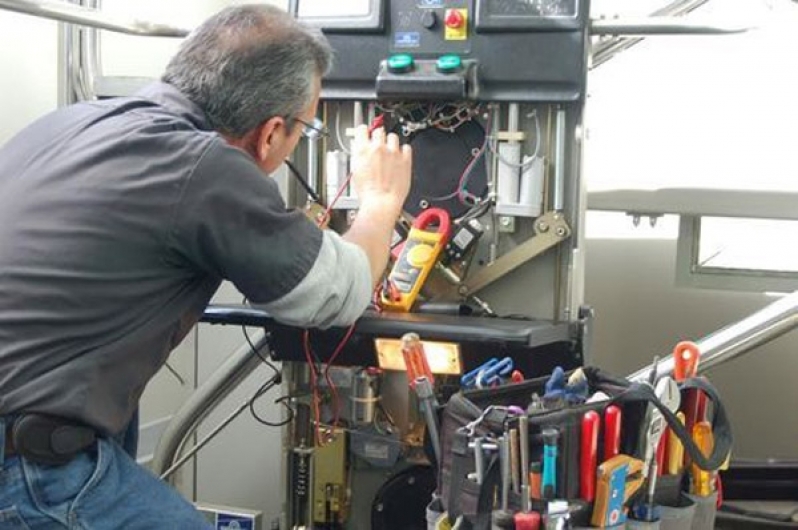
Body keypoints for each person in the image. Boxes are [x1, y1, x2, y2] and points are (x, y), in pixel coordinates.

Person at [0, 4, 411, 528]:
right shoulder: (203, 164)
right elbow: (338, 290)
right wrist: (380, 202)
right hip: (28, 467)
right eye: (302, 130)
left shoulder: (70, 122)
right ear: (271, 134)